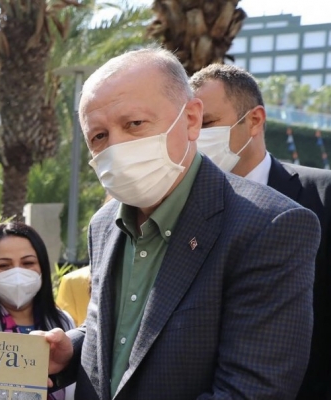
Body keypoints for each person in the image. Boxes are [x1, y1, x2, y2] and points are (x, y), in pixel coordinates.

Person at [35, 47, 321, 400]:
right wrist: (72, 350)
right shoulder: (104, 224)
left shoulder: (269, 226)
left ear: (191, 119)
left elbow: (251, 390)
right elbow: (123, 333)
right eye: (99, 136)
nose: (116, 147)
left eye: (134, 124)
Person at [190, 63, 331, 399]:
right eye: (189, 127)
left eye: (207, 123)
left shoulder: (323, 195)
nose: (196, 137)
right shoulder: (179, 207)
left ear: (254, 120)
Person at [0, 222, 75, 400]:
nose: (17, 274)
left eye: (28, 263)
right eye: (4, 265)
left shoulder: (62, 323)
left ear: (42, 267)